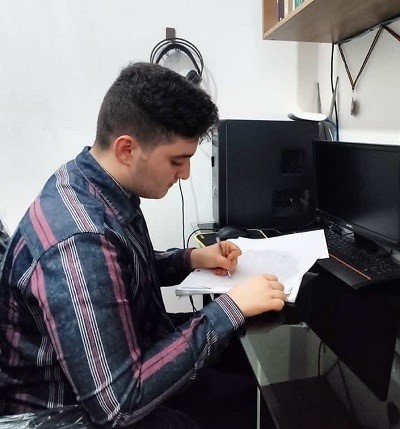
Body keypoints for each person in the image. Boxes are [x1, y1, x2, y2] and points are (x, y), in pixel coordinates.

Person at [0, 62, 286, 428]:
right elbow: (118, 404)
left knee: (245, 381)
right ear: (126, 149)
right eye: (177, 160)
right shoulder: (79, 241)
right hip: (66, 411)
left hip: (115, 367)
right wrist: (230, 308)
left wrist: (191, 258)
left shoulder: (90, 182)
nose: (185, 174)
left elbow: (118, 268)